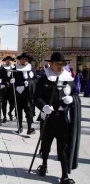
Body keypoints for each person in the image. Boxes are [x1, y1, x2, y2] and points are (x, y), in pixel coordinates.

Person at [35, 52, 81, 184]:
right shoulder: (44, 79)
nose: (60, 66)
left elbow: (76, 94)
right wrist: (43, 106)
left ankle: (65, 175)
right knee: (46, 144)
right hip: (48, 118)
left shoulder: (69, 79)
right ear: (51, 64)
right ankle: (44, 165)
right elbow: (36, 98)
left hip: (63, 119)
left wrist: (72, 98)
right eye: (57, 64)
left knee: (63, 148)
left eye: (63, 64)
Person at [12, 52, 37, 135]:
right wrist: (12, 81)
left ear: (28, 61)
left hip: (28, 94)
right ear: (20, 60)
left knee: (29, 111)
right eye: (22, 59)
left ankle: (30, 128)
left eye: (26, 59)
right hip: (18, 93)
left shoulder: (32, 69)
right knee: (18, 111)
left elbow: (35, 80)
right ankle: (20, 127)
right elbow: (12, 78)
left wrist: (29, 83)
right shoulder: (16, 68)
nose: (24, 61)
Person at [0, 56, 15, 123]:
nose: (8, 61)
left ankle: (10, 112)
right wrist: (0, 83)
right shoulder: (2, 68)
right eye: (7, 60)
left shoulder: (14, 68)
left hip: (12, 88)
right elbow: (0, 77)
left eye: (10, 60)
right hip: (4, 88)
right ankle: (4, 117)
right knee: (4, 103)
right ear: (5, 61)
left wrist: (14, 80)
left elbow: (17, 77)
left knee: (13, 103)